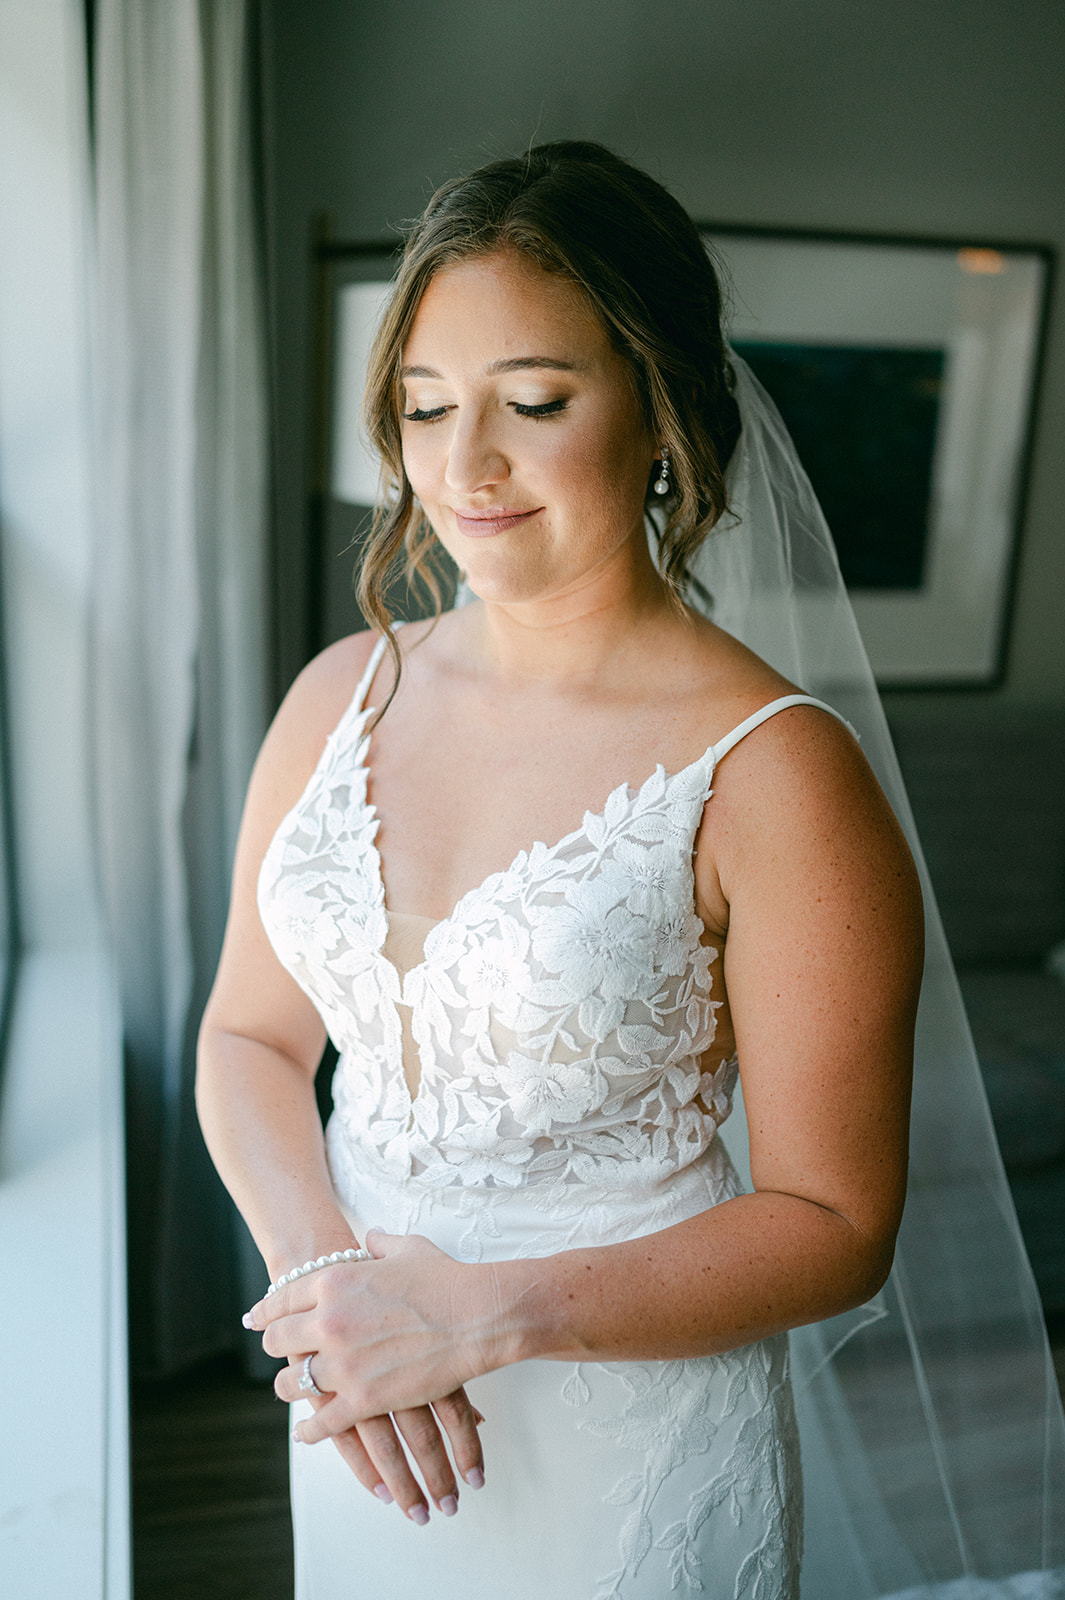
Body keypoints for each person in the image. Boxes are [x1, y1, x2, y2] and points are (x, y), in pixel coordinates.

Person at [197, 144, 1062, 1600]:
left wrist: (482, 1320)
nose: (462, 463)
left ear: (658, 410)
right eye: (423, 405)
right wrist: (325, 1280)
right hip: (361, 1400)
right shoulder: (336, 693)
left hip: (624, 1452)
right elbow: (249, 1038)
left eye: (533, 403)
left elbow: (834, 1226)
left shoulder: (776, 775)